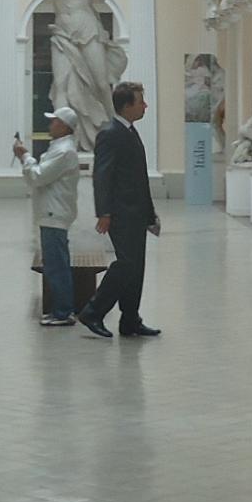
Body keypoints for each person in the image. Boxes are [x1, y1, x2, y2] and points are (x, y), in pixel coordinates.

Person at [78, 81, 160, 340]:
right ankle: (93, 311)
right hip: (121, 213)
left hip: (136, 213)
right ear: (126, 106)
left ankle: (130, 319)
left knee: (137, 268)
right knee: (126, 264)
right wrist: (104, 212)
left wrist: (150, 214)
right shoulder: (110, 133)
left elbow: (138, 179)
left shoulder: (130, 132)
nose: (145, 105)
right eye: (140, 101)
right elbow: (102, 176)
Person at [14, 107, 83, 327]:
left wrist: (24, 156)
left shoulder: (64, 151)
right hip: (51, 213)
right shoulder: (60, 148)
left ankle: (63, 312)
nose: (50, 125)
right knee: (55, 263)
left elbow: (37, 176)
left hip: (54, 214)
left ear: (64, 126)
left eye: (54, 121)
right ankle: (61, 310)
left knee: (56, 266)